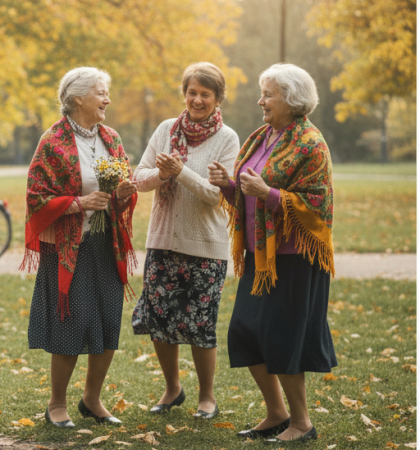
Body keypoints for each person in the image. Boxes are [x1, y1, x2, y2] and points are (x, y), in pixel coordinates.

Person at [208, 63, 336, 443]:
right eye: (263, 93)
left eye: (269, 95)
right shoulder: (262, 136)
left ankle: (302, 423)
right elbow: (250, 196)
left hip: (294, 258)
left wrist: (269, 194)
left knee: (282, 339)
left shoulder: (310, 143)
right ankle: (277, 413)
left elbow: (319, 206)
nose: (261, 101)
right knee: (245, 333)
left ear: (291, 100)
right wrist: (229, 186)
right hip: (260, 257)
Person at [22, 67, 137, 428]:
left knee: (107, 319)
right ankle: (57, 404)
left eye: (107, 92)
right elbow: (36, 197)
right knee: (71, 321)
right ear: (77, 99)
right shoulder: (53, 141)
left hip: (107, 244)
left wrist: (121, 193)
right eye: (101, 92)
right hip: (69, 247)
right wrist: (78, 203)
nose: (107, 99)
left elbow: (121, 184)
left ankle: (92, 399)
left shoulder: (111, 137)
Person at [130, 62, 240, 419]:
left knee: (200, 325)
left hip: (206, 247)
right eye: (192, 92)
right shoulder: (165, 130)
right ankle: (172, 389)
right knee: (160, 320)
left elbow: (215, 194)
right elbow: (139, 177)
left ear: (217, 98)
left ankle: (207, 397)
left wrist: (181, 172)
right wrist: (160, 175)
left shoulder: (227, 139)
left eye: (205, 94)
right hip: (163, 242)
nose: (197, 99)